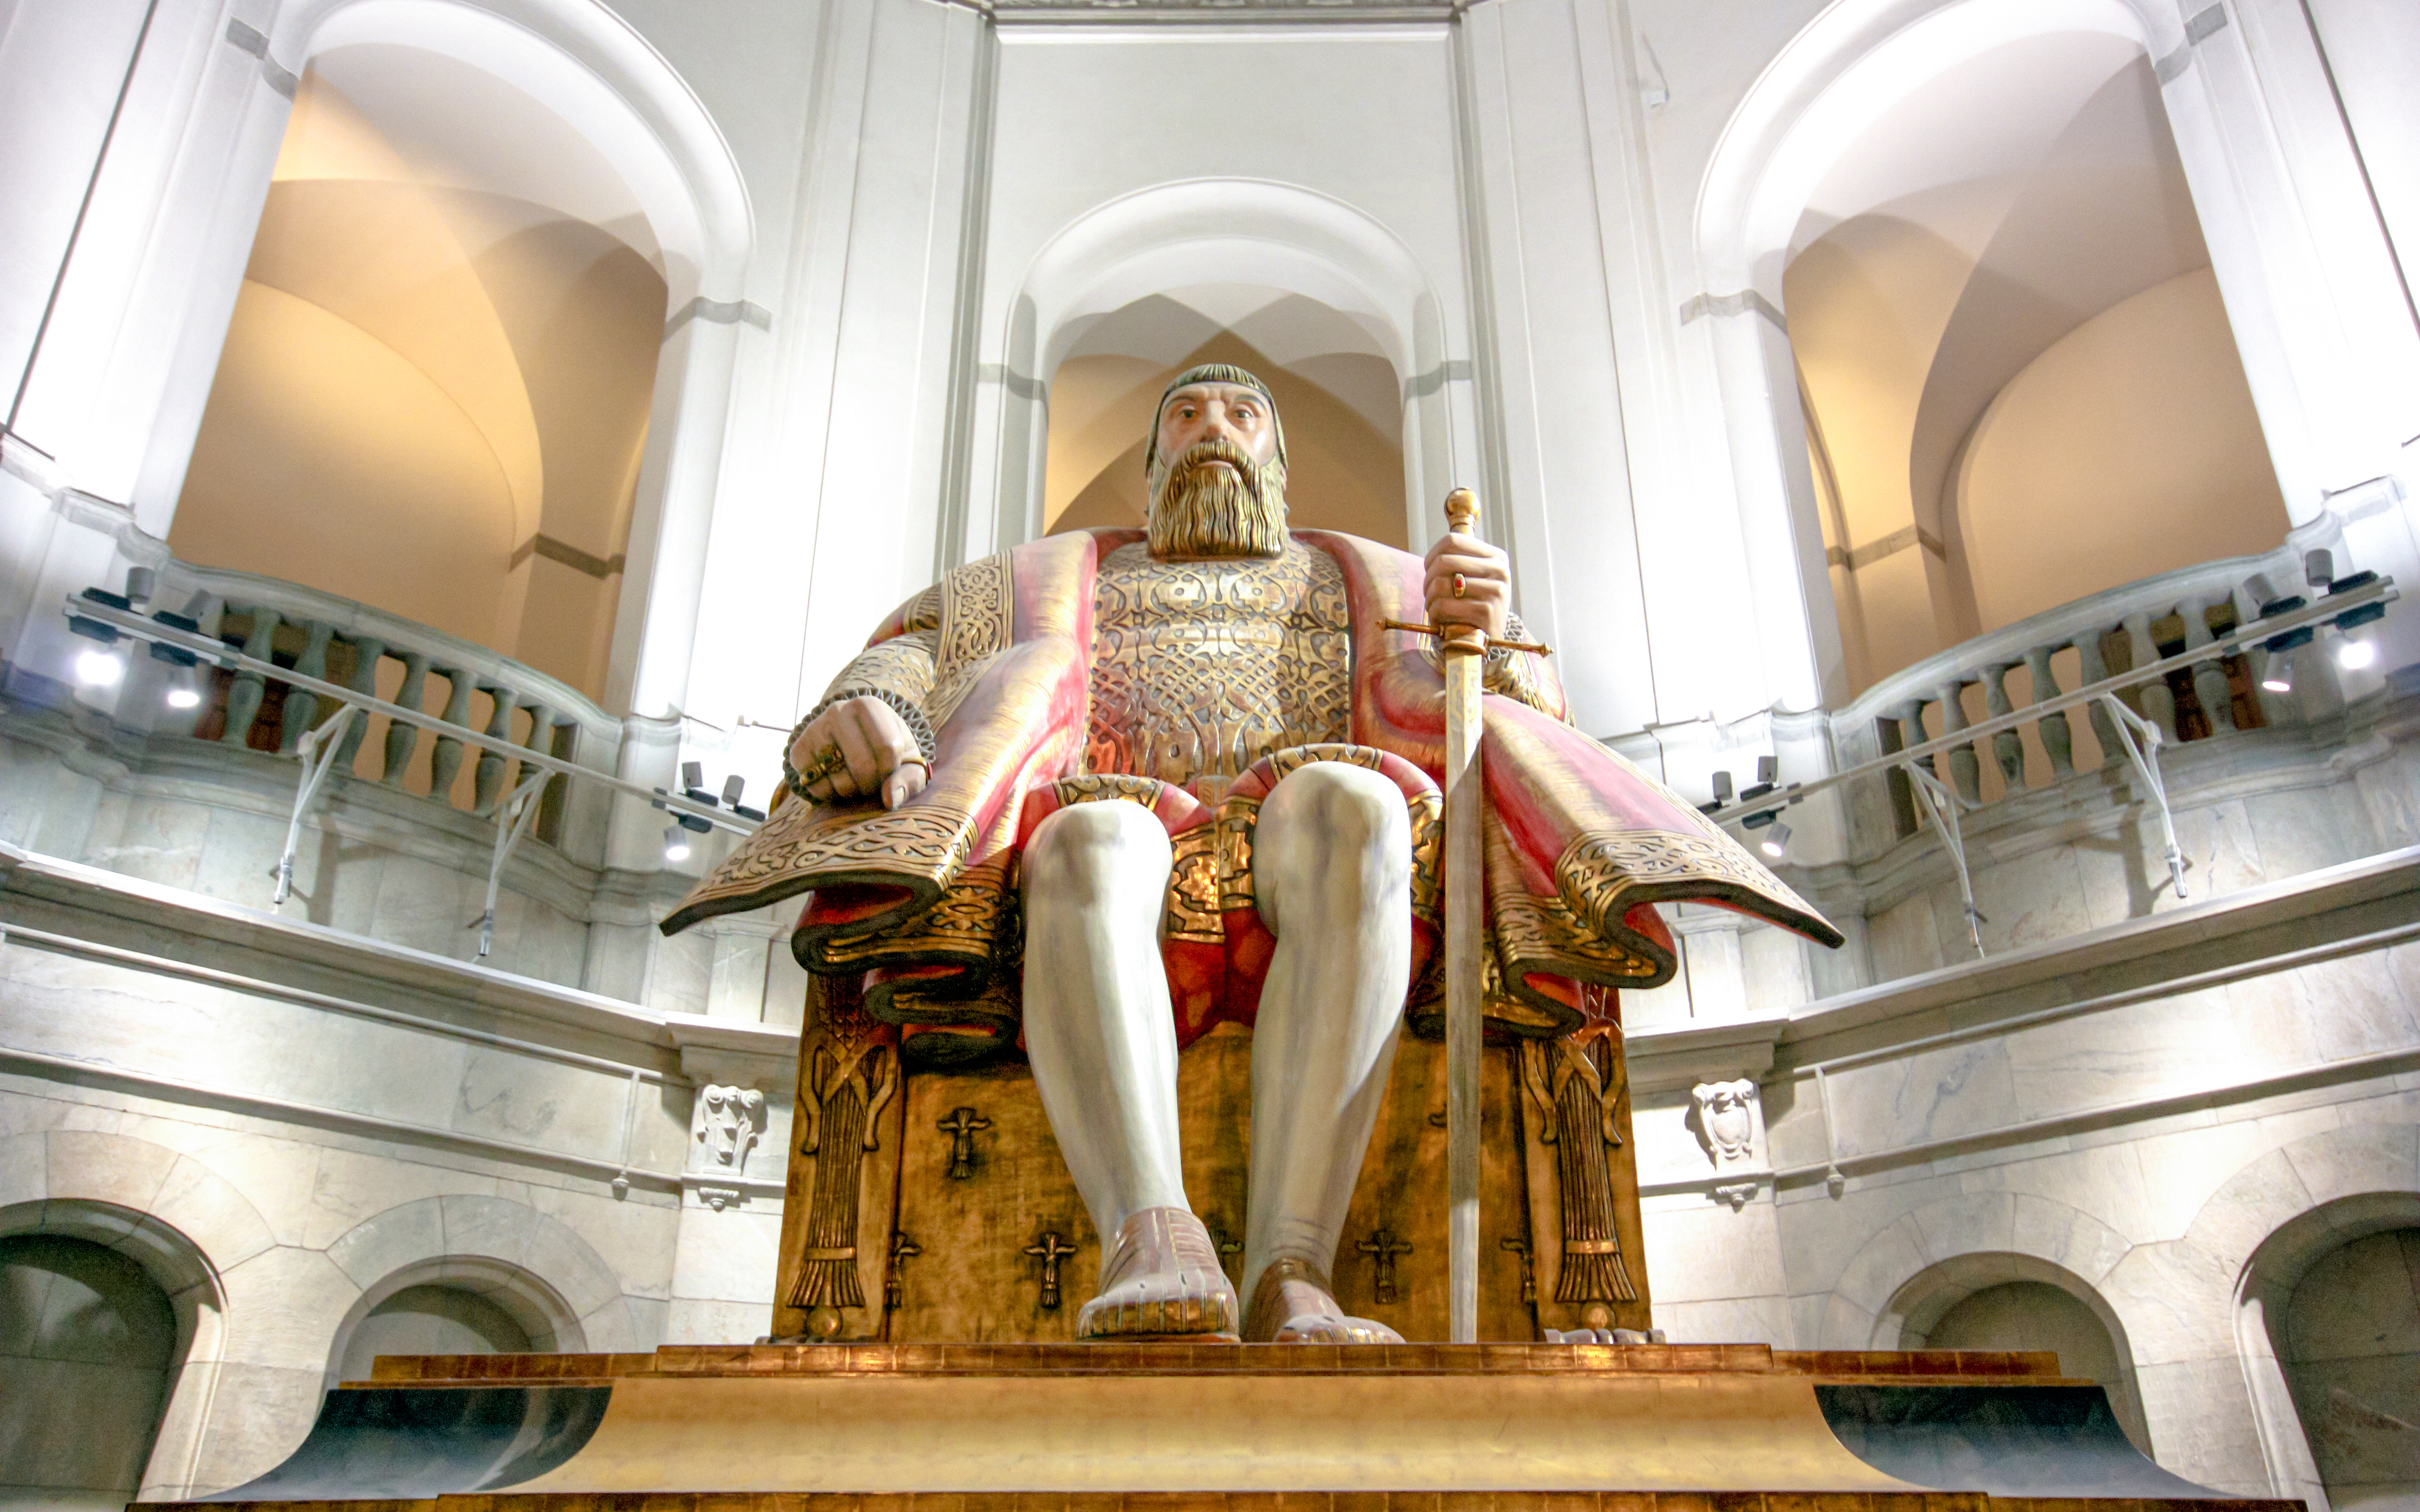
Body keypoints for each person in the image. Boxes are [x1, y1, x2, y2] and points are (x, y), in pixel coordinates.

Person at [663, 364, 1837, 1343]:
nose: (1212, 428)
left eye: (1242, 415)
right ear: (1148, 466)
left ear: (1278, 465)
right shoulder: (1037, 584)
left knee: (1355, 805)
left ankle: (1294, 1269)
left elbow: (1518, 718)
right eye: (1185, 415)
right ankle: (1151, 1238)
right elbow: (909, 658)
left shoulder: (1374, 583)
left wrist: (1494, 634)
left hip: (1330, 873)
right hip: (1104, 867)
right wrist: (865, 711)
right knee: (1092, 834)